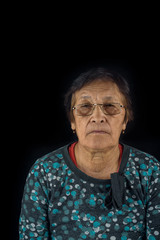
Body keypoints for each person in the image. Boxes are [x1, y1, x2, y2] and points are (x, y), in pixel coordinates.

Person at [19, 68, 160, 239]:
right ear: (72, 121)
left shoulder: (149, 172)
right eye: (85, 107)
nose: (98, 117)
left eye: (110, 106)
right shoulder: (45, 173)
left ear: (125, 120)